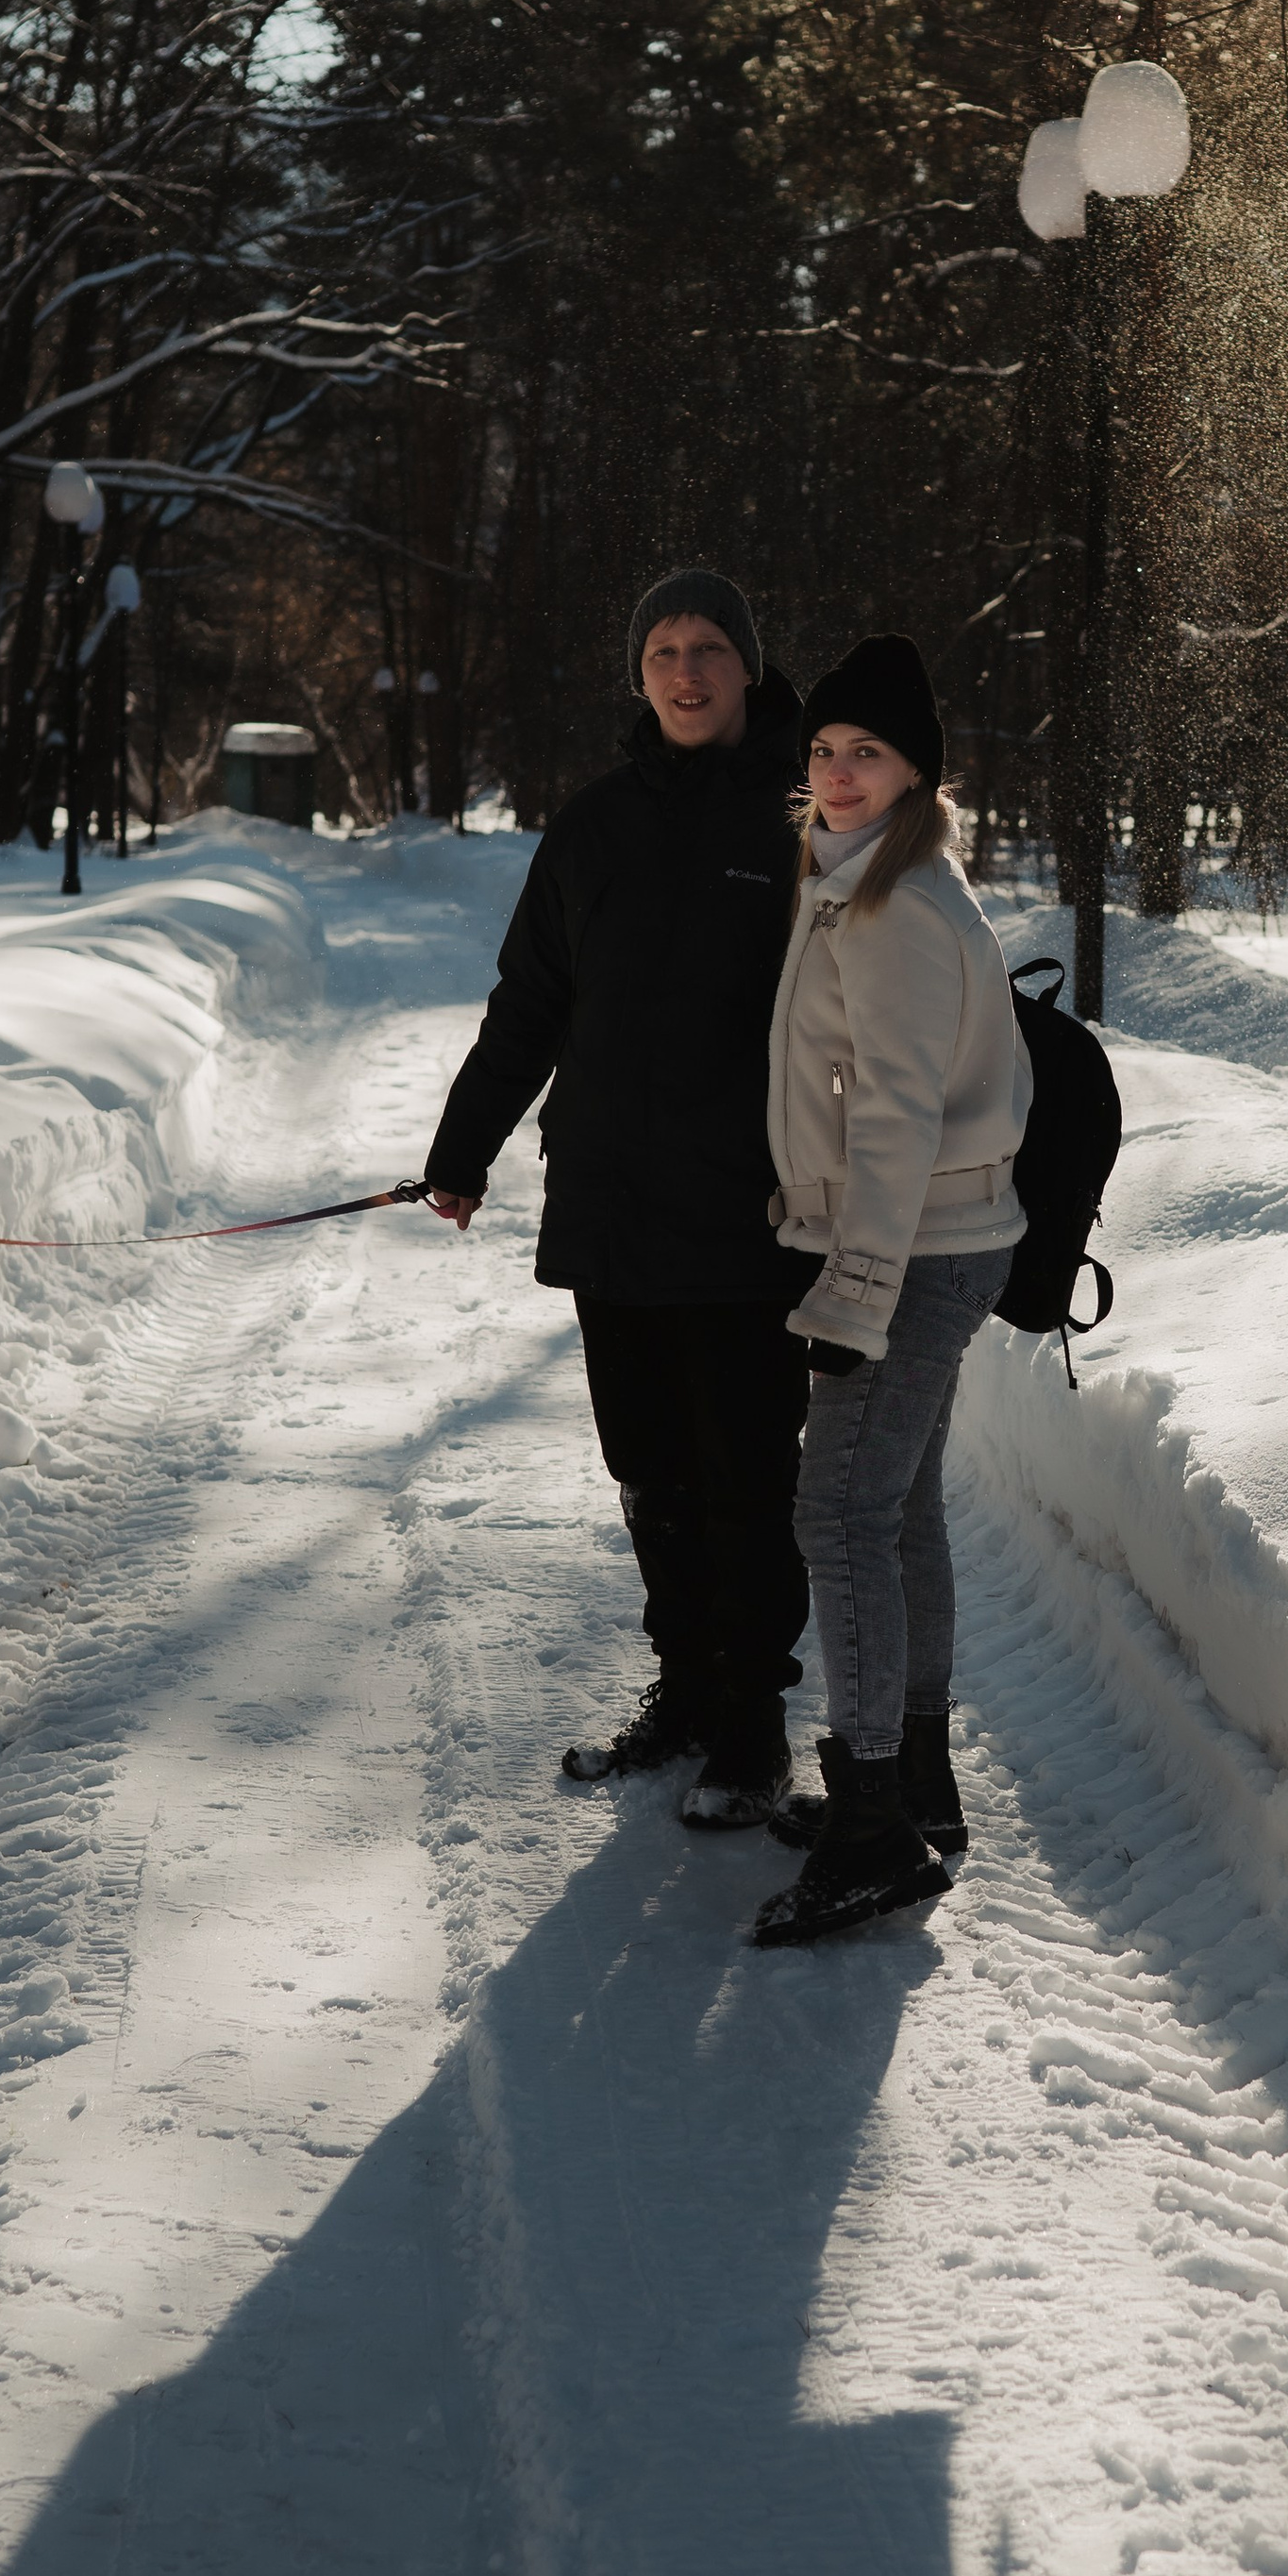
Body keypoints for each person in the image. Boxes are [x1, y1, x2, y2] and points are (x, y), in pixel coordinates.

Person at [421, 573, 810, 1827]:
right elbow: (529, 1003)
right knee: (647, 1469)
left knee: (744, 1477)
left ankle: (752, 1727)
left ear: (749, 667)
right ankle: (689, 1691)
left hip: (753, 1221)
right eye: (662, 650)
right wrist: (463, 1148)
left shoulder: (809, 818)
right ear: (637, 675)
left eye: (708, 648)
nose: (686, 670)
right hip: (612, 1211)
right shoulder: (590, 828)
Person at [751, 634, 1031, 1949]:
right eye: (822, 751)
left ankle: (871, 1821)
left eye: (867, 752)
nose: (838, 772)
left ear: (916, 771)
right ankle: (914, 1773)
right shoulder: (857, 881)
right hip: (935, 1235)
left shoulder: (900, 906)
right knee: (900, 1498)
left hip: (916, 1246)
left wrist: (850, 1296)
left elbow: (902, 1115)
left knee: (840, 1511)